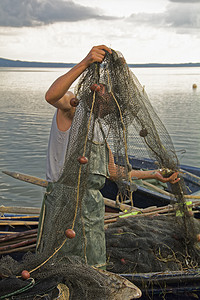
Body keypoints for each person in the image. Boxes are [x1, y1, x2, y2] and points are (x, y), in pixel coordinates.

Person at [36, 45, 180, 267]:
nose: (108, 100)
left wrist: (155, 174)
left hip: (92, 209)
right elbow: (51, 95)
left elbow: (113, 172)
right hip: (64, 204)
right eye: (106, 94)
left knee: (92, 269)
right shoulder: (73, 107)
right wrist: (85, 62)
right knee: (61, 266)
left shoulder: (100, 130)